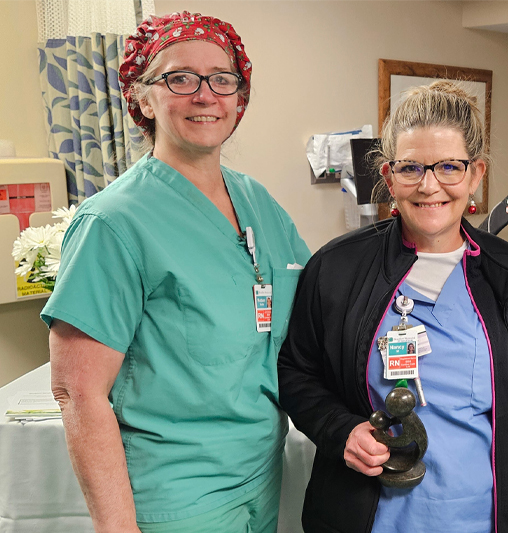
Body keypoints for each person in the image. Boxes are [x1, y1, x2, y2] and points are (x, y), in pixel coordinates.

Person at [42, 12, 310, 533]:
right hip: (176, 497)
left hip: (260, 479)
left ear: (238, 96)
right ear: (143, 98)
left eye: (222, 79)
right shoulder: (113, 223)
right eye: (179, 78)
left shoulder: (259, 203)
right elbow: (77, 392)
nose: (205, 95)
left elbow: (312, 311)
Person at [278, 81, 508, 533]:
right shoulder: (336, 268)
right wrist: (340, 430)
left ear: (476, 175)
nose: (429, 186)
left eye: (449, 167)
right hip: (367, 516)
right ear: (388, 177)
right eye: (410, 168)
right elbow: (295, 372)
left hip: (482, 515)